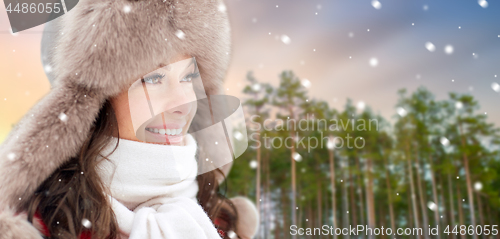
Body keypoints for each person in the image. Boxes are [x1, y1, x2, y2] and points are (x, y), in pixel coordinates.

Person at [0, 0, 258, 238]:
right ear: (93, 104)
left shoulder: (219, 222)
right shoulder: (44, 227)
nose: (183, 104)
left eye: (189, 77)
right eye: (154, 79)